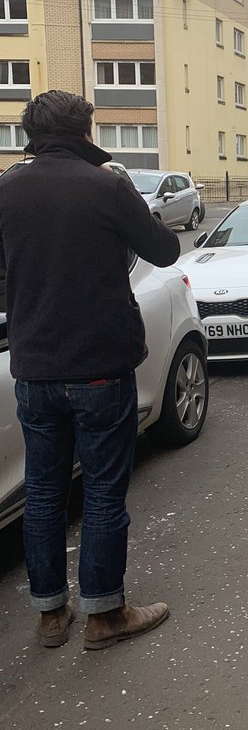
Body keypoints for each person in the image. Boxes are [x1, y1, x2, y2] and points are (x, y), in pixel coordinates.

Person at [0, 90, 181, 650]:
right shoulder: (107, 186)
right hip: (99, 364)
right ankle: (105, 615)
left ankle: (51, 613)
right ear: (85, 131)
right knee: (102, 491)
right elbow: (165, 250)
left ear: (31, 134)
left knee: (43, 491)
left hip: (33, 366)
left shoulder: (6, 188)